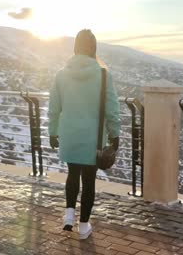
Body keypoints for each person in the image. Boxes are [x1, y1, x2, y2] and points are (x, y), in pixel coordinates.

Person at [48, 29, 121, 240]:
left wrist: (53, 131)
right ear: (93, 47)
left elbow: (54, 107)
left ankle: (69, 214)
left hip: (69, 134)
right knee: (89, 181)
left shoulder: (61, 74)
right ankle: (83, 227)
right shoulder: (103, 75)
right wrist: (114, 134)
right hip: (93, 138)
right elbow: (112, 108)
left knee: (72, 174)